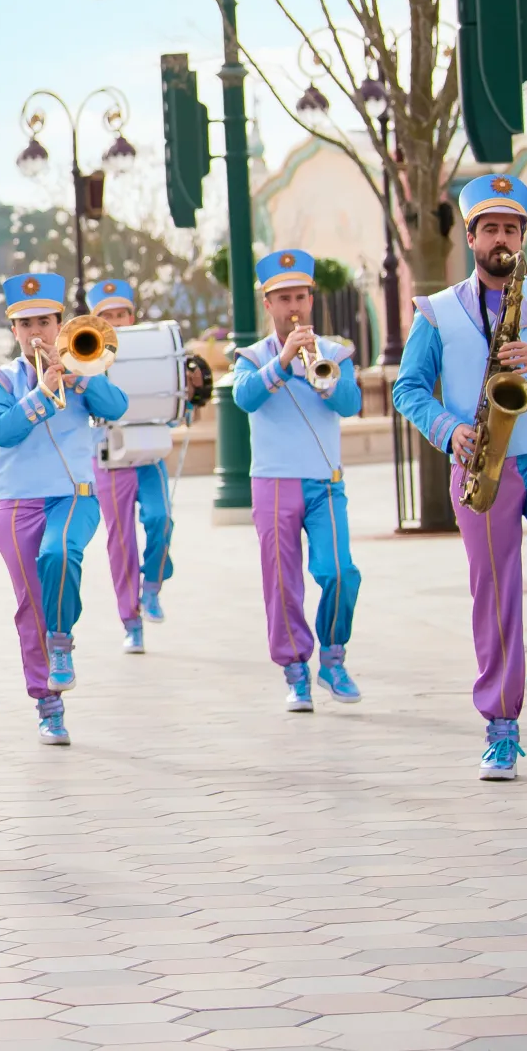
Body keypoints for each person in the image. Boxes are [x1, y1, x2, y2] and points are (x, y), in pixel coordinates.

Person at [393, 174, 527, 781]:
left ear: (523, 235)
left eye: (511, 228)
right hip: (481, 460)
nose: (500, 238)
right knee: (495, 596)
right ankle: (501, 728)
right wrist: (446, 430)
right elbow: (409, 389)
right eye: (490, 228)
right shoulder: (435, 312)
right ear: (470, 237)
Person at [0, 272, 128, 747]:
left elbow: (118, 406)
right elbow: (0, 431)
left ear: (60, 324)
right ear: (15, 332)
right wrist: (42, 394)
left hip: (75, 493)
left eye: (44, 321)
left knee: (61, 553)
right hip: (17, 502)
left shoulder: (84, 365)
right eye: (25, 325)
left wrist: (84, 380)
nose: (36, 333)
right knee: (30, 606)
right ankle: (48, 704)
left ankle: (62, 641)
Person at [229, 251, 365, 713]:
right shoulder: (250, 357)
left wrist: (323, 377)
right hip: (273, 482)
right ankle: (295, 671)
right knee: (283, 584)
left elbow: (349, 405)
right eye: (283, 298)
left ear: (312, 299)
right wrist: (283, 362)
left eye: (301, 297)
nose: (294, 307)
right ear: (267, 304)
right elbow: (245, 398)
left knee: (340, 573)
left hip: (325, 482)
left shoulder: (335, 352)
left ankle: (333, 656)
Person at [87, 278, 175, 652]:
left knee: (161, 518)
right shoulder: (87, 356)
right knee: (120, 543)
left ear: (132, 316)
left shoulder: (150, 350)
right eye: (107, 316)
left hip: (149, 452)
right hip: (109, 457)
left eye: (121, 314)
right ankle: (131, 619)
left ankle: (152, 584)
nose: (116, 321)